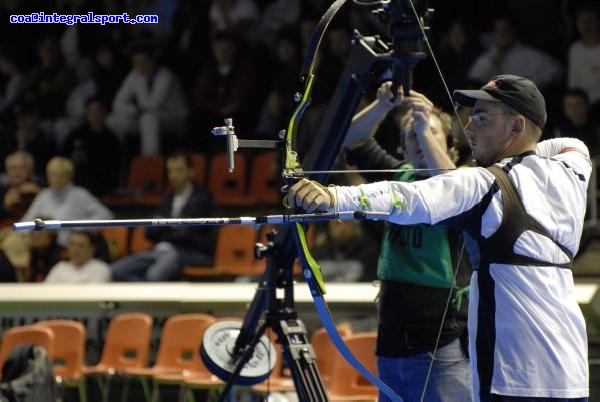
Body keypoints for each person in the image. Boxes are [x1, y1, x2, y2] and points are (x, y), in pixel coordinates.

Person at [289, 74, 590, 401]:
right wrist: (524, 154)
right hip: (570, 372)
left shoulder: (480, 183)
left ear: (516, 126)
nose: (470, 127)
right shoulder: (573, 168)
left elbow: (403, 198)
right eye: (471, 117)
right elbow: (565, 144)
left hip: (512, 378)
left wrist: (333, 199)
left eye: (482, 118)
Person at [342, 81, 471, 401]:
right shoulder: (398, 177)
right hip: (391, 341)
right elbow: (353, 140)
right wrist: (383, 105)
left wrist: (424, 127)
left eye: (429, 133)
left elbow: (449, 186)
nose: (418, 139)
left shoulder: (469, 182)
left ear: (449, 145)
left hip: (441, 344)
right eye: (410, 136)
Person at [111, 152, 216, 282]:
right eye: (170, 171)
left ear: (191, 172)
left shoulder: (202, 198)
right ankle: (147, 295)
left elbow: (186, 234)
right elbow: (149, 232)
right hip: (160, 250)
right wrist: (172, 228)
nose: (174, 176)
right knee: (117, 270)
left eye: (179, 170)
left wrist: (163, 229)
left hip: (191, 252)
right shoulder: (167, 198)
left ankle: (148, 295)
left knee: (154, 275)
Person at [106, 45, 188, 155]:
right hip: (143, 116)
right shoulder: (134, 75)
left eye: (144, 62)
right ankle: (118, 158)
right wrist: (134, 109)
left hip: (173, 119)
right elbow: (117, 104)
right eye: (136, 63)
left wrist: (137, 109)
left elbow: (153, 105)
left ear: (152, 61)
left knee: (149, 119)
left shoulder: (165, 76)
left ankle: (149, 162)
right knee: (112, 120)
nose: (140, 66)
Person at [21, 156, 114, 247]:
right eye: (53, 174)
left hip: (68, 247)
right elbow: (25, 223)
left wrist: (76, 227)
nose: (57, 179)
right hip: (43, 248)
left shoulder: (79, 194)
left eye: (62, 175)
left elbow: (106, 215)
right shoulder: (44, 195)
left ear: (69, 176)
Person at [44, 230, 111, 283]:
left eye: (81, 246)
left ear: (92, 249)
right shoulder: (60, 267)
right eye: (72, 244)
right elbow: (45, 292)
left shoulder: (101, 269)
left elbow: (92, 295)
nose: (75, 250)